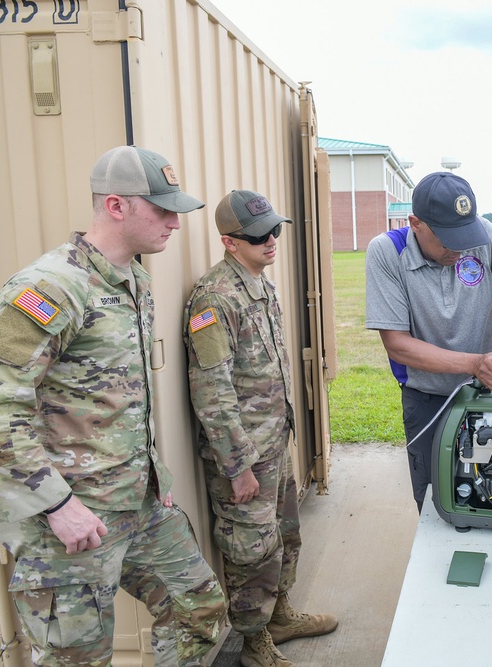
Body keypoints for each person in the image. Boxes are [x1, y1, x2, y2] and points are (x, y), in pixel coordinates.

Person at [0, 145, 227, 666]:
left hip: (138, 504)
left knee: (199, 610)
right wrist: (57, 506)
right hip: (67, 523)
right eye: (162, 210)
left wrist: (154, 481)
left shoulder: (132, 277)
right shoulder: (50, 286)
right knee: (77, 659)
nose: (175, 224)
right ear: (116, 206)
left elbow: (119, 400)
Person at [184, 190, 338, 667]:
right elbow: (212, 391)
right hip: (245, 457)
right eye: (258, 236)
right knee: (250, 550)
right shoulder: (213, 299)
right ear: (230, 243)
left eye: (274, 230)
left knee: (285, 535)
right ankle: (253, 643)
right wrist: (237, 467)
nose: (272, 241)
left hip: (273, 444)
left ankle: (279, 615)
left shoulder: (259, 283)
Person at [365, 172, 492, 511]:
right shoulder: (387, 252)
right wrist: (472, 364)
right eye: (448, 239)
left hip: (487, 396)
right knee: (437, 504)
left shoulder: (484, 237)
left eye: (465, 235)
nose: (461, 247)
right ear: (415, 223)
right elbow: (398, 345)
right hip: (428, 401)